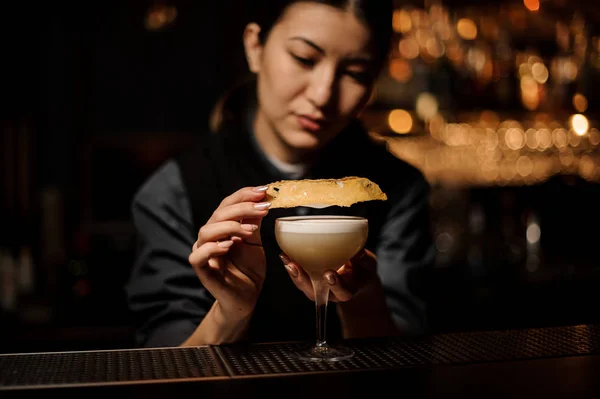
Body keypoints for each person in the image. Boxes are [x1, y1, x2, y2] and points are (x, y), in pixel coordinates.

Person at [124, 0, 436, 348]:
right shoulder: (173, 190)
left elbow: (409, 363)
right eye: (304, 59)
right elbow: (165, 371)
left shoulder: (399, 188)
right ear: (255, 47)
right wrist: (229, 311)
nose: (322, 94)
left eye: (356, 73)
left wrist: (362, 298)